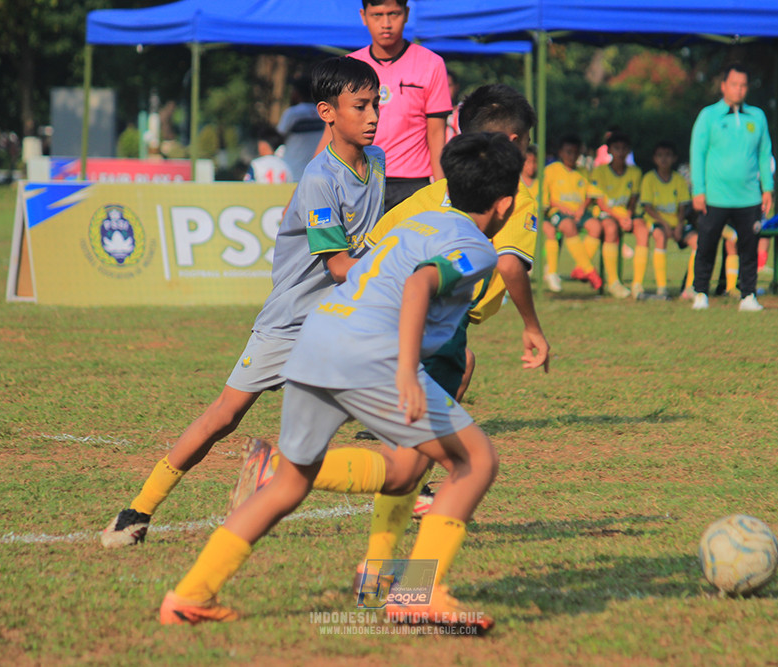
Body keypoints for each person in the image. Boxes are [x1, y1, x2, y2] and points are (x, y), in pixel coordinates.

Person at [158, 132, 524, 632]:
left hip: (316, 341)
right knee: (475, 459)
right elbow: (420, 284)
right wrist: (404, 375)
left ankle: (190, 595)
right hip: (369, 355)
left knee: (304, 481)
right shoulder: (477, 249)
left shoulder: (419, 222)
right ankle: (421, 594)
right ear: (505, 204)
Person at [231, 84, 550, 592]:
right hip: (421, 338)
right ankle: (417, 590)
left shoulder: (426, 196)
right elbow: (507, 263)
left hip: (354, 327)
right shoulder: (511, 200)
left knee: (407, 468)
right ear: (516, 143)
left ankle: (376, 570)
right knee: (462, 463)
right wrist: (532, 327)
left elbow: (369, 256)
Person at [99, 56, 385, 548]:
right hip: (290, 322)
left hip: (335, 322)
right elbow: (339, 265)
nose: (374, 115)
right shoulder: (320, 179)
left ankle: (412, 495)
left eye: (377, 103)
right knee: (224, 416)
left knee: (391, 400)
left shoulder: (376, 162)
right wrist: (398, 269)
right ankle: (137, 510)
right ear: (327, 112)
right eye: (360, 106)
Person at [343, 0, 453, 211]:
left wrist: (443, 192)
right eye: (377, 15)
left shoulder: (431, 64)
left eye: (394, 14)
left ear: (407, 13)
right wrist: (302, 190)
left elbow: (437, 135)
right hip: (360, 180)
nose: (386, 23)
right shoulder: (350, 66)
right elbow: (333, 132)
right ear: (363, 15)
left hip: (412, 185)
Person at [689, 62, 773, 312]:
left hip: (749, 197)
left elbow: (764, 153)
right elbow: (697, 154)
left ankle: (748, 296)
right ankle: (700, 292)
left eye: (743, 85)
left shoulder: (757, 116)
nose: (738, 90)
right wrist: (698, 190)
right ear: (724, 86)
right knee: (707, 245)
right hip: (715, 196)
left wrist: (767, 188)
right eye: (734, 84)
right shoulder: (708, 116)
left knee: (749, 247)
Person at [541, 135, 603, 293]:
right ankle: (589, 270)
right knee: (568, 227)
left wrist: (583, 207)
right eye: (568, 152)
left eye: (576, 153)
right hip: (558, 212)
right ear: (561, 152)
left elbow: (591, 193)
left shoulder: (583, 171)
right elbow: (546, 199)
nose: (572, 156)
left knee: (596, 227)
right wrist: (561, 207)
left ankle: (580, 268)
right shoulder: (551, 170)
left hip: (579, 211)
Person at [590, 132, 642, 298]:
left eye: (624, 149)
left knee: (642, 229)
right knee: (610, 228)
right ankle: (613, 282)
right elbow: (600, 203)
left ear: (629, 151)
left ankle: (637, 284)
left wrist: (628, 215)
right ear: (610, 151)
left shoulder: (635, 172)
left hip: (624, 215)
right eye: (616, 148)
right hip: (606, 214)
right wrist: (620, 218)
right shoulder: (600, 172)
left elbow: (633, 199)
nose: (620, 152)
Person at [639, 141, 689, 298]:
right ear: (654, 159)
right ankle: (662, 287)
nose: (664, 159)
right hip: (657, 222)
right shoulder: (649, 179)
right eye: (660, 155)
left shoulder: (679, 180)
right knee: (660, 236)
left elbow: (683, 206)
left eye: (668, 155)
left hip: (676, 224)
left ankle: (690, 288)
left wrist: (680, 225)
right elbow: (648, 207)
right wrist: (664, 224)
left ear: (674, 158)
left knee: (698, 241)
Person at [276, 73, 325, 181]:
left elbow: (277, 138)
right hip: (316, 173)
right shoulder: (321, 112)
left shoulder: (292, 113)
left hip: (292, 171)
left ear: (296, 93)